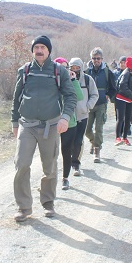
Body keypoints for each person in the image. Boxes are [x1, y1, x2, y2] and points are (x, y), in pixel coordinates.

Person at [11, 36, 77, 221]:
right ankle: (24, 207)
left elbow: (70, 96)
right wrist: (15, 122)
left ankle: (48, 203)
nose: (39, 50)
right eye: (36, 47)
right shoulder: (24, 71)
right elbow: (16, 99)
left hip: (51, 125)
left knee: (49, 167)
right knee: (21, 164)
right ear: (33, 50)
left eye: (42, 47)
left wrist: (65, 118)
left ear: (49, 50)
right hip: (27, 125)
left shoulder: (59, 71)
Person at [52, 58, 84, 190]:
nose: (63, 69)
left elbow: (79, 97)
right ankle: (49, 180)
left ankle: (65, 178)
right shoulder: (50, 81)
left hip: (69, 122)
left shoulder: (70, 80)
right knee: (51, 153)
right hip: (51, 122)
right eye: (60, 66)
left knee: (66, 151)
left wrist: (73, 80)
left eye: (66, 67)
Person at [84, 47, 117, 163]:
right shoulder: (86, 73)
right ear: (91, 59)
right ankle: (94, 142)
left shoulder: (107, 72)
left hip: (101, 104)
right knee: (87, 130)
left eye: (98, 58)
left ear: (102, 59)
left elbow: (114, 88)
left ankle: (97, 150)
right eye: (94, 58)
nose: (96, 60)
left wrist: (108, 95)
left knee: (99, 128)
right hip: (89, 105)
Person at [69, 57, 99, 178]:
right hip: (69, 116)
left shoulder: (87, 79)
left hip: (82, 115)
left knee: (78, 140)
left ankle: (76, 164)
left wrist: (88, 106)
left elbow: (94, 94)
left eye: (77, 68)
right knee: (69, 142)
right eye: (72, 68)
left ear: (81, 68)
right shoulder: (66, 79)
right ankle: (71, 159)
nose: (75, 70)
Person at [114, 57, 132, 146]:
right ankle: (117, 137)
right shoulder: (126, 73)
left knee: (128, 119)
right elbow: (122, 86)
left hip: (129, 99)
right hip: (121, 98)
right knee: (120, 118)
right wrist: (131, 95)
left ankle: (125, 138)